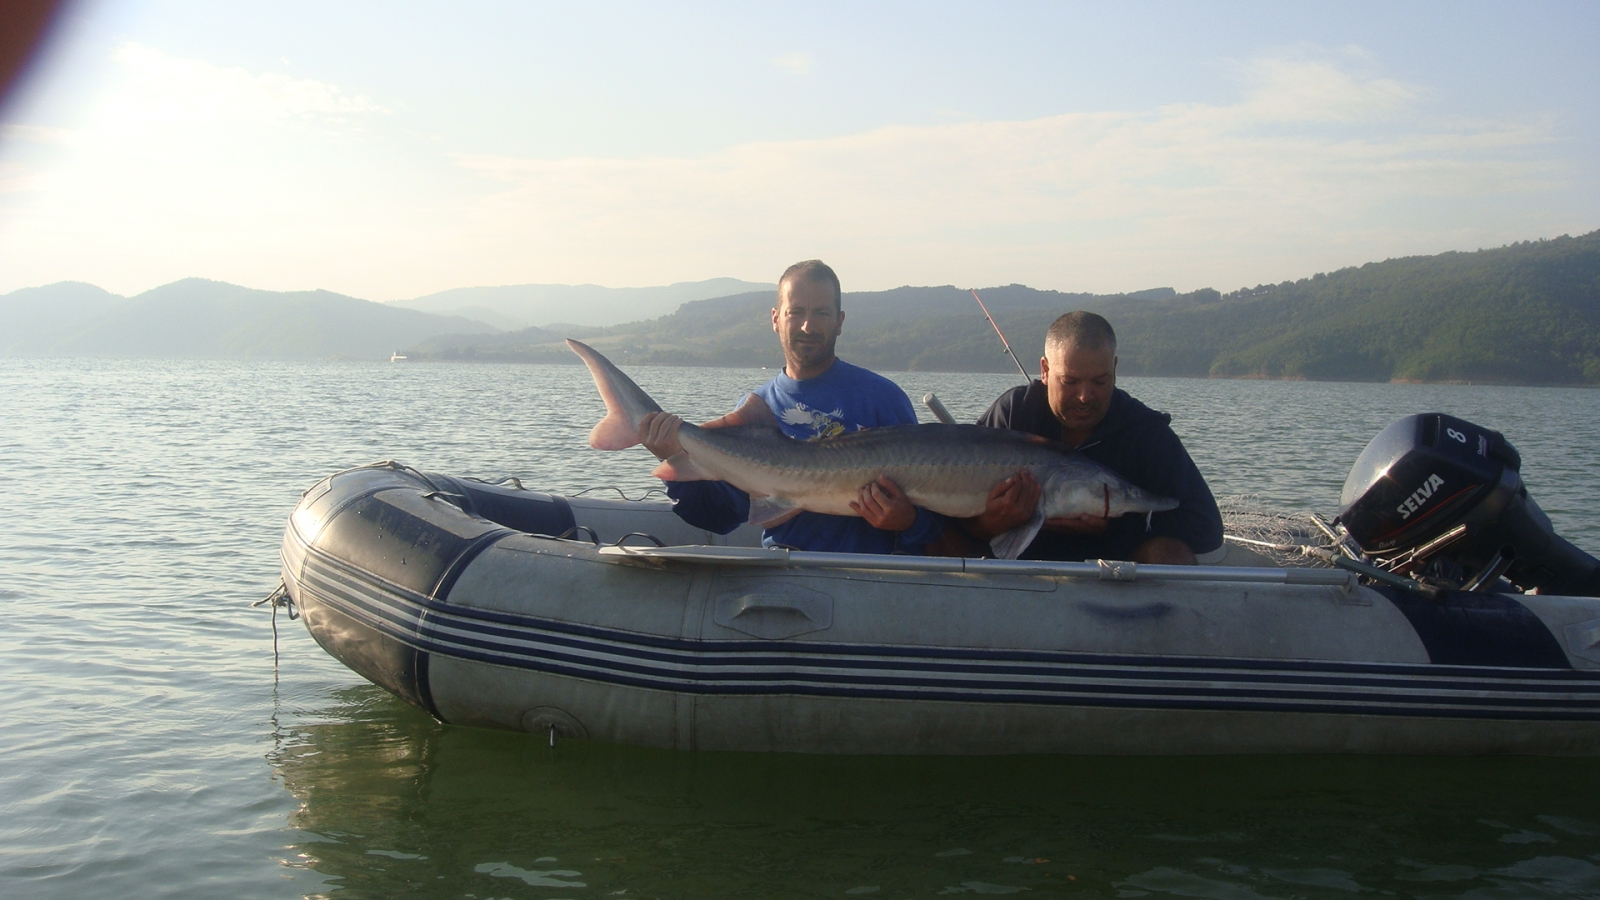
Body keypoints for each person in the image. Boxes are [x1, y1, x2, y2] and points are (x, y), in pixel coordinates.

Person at [635, 260, 944, 553]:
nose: (808, 326)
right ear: (776, 319)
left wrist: (910, 523)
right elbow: (720, 516)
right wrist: (671, 454)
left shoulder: (883, 399)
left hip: (869, 574)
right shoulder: (757, 410)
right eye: (796, 312)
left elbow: (934, 507)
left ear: (839, 322)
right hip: (782, 572)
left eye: (821, 312)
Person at [953, 311, 1223, 564]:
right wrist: (990, 523)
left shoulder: (1145, 433)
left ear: (1114, 368)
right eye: (1069, 382)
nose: (1084, 396)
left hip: (1114, 571)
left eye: (1099, 381)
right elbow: (951, 519)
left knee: (1169, 553)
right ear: (1045, 370)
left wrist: (1113, 525)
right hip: (1019, 570)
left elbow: (1207, 529)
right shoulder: (1013, 413)